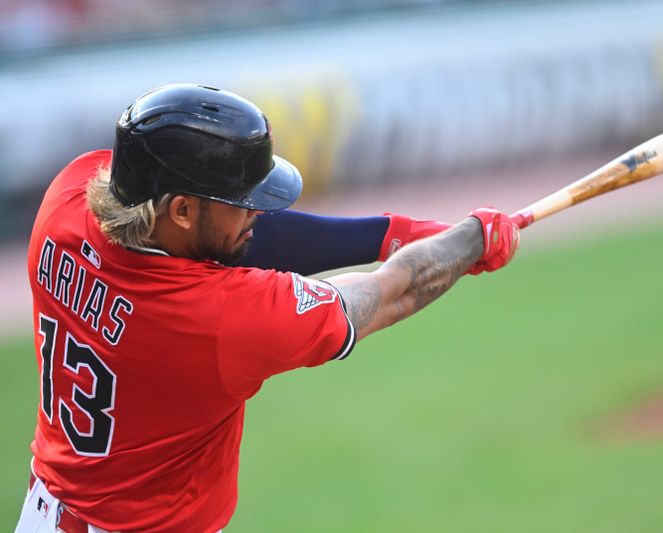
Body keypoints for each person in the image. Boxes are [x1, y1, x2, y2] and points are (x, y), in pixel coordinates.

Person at [15, 83, 519, 533]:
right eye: (241, 200)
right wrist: (472, 239)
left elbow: (231, 236)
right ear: (182, 210)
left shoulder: (69, 199)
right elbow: (393, 292)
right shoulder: (219, 318)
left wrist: (393, 233)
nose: (256, 211)